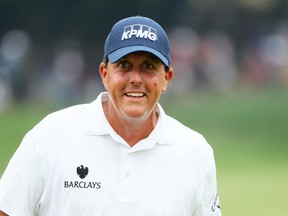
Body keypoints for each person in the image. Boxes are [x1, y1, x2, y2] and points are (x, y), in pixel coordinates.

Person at [0, 16, 222, 216]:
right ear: (104, 74)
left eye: (148, 66)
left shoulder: (195, 151)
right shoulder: (51, 136)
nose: (136, 78)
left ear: (167, 77)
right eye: (124, 65)